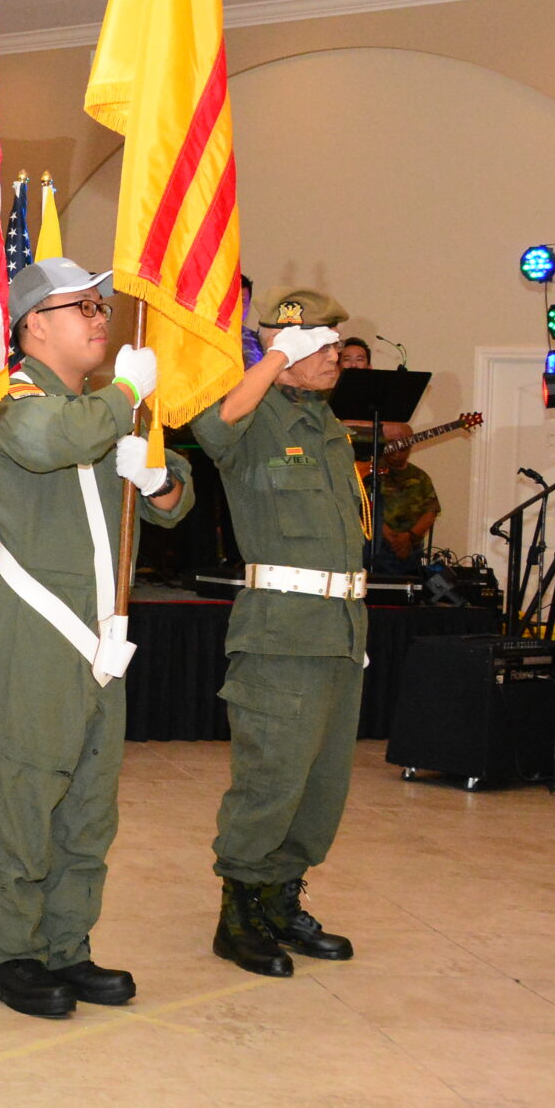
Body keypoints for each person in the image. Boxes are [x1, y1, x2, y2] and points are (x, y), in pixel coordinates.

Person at [0, 257, 191, 1019]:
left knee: (90, 799)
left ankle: (67, 942)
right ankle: (7, 952)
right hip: (37, 625)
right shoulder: (6, 401)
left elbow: (177, 497)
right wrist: (126, 396)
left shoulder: (109, 406)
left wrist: (158, 479)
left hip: (104, 630)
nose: (101, 318)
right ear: (34, 324)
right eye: (82, 308)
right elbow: (48, 441)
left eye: (101, 306)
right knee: (23, 790)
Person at [188, 287, 367, 979]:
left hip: (339, 631)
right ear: (283, 347)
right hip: (280, 634)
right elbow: (211, 430)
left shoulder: (325, 425)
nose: (334, 356)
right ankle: (238, 913)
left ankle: (281, 899)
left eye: (335, 344)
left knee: (321, 784)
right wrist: (269, 360)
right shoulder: (255, 415)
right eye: (318, 344)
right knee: (271, 777)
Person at [366, 423, 441, 576]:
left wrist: (408, 538)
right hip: (376, 549)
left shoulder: (420, 477)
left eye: (403, 448)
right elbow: (363, 507)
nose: (397, 453)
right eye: (392, 446)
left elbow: (431, 512)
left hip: (410, 551)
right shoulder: (369, 473)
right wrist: (391, 538)